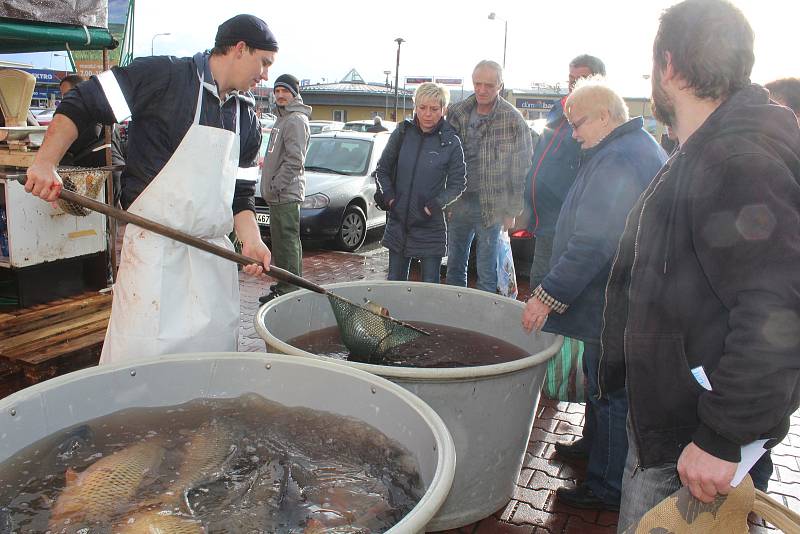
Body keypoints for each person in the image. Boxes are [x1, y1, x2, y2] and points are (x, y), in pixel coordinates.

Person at [596, 1, 800, 530]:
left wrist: (722, 435)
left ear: (668, 67)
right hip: (684, 431)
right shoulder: (706, 149)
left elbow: (780, 306)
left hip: (695, 449)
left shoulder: (736, 158)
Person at [24, 14, 277, 364]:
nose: (265, 75)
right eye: (263, 63)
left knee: (212, 366)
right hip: (155, 253)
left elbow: (241, 196)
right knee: (142, 365)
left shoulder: (247, 118)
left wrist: (252, 239)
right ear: (239, 48)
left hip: (212, 263)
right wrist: (45, 162)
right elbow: (83, 102)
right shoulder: (163, 77)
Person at [522, 77, 666, 511]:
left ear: (605, 117)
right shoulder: (626, 147)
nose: (573, 133)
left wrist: (545, 296)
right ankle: (592, 447)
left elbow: (593, 242)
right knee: (601, 380)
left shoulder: (619, 158)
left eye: (578, 123)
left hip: (615, 301)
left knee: (610, 390)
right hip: (617, 296)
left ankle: (606, 487)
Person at [445, 60, 533, 292]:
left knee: (487, 269)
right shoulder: (457, 112)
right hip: (459, 202)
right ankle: (453, 312)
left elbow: (520, 168)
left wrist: (512, 212)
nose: (482, 90)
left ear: (500, 86)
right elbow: (445, 160)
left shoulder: (513, 120)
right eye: (477, 83)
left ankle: (483, 319)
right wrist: (445, 201)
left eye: (489, 85)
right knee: (454, 264)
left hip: (493, 206)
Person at [523, 55, 606, 289]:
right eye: (571, 79)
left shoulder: (600, 118)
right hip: (544, 214)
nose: (573, 85)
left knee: (558, 282)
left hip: (567, 216)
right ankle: (538, 324)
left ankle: (550, 325)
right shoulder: (559, 107)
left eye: (581, 79)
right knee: (539, 277)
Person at [375, 82, 466, 283]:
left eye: (434, 109)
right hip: (399, 223)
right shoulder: (403, 132)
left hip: (430, 226)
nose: (427, 114)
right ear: (415, 107)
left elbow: (458, 184)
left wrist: (434, 205)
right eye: (422, 108)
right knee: (394, 285)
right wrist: (390, 198)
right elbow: (382, 170)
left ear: (444, 110)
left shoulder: (451, 142)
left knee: (429, 290)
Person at [258, 74, 311, 303]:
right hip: (277, 195)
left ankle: (291, 289)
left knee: (287, 243)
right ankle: (284, 284)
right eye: (277, 90)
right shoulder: (282, 118)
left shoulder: (295, 120)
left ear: (294, 93)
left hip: (286, 194)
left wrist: (276, 185)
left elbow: (294, 160)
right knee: (280, 243)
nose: (280, 95)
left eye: (285, 91)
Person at [58, 74, 126, 206]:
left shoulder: (93, 107)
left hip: (107, 172)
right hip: (101, 172)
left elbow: (92, 133)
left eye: (67, 95)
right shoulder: (90, 106)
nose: (65, 100)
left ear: (78, 90)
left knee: (109, 217)